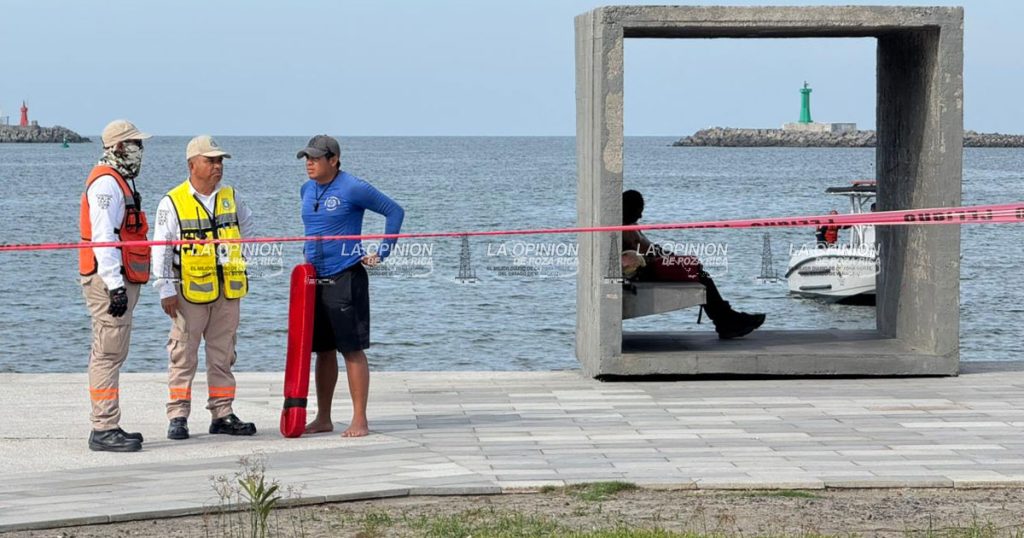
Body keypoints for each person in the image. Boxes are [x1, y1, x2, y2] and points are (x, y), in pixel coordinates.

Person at [298, 135, 404, 437]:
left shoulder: (353, 187)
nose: (309, 163)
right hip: (315, 278)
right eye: (307, 158)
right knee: (323, 351)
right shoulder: (306, 189)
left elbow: (395, 211)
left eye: (316, 158)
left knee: (351, 349)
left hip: (346, 275)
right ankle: (324, 417)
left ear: (333, 160)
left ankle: (360, 420)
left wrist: (382, 252)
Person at [151, 135, 257, 440]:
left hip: (228, 291)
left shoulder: (232, 197)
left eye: (220, 160)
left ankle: (222, 413)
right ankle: (178, 415)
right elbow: (161, 247)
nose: (217, 166)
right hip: (188, 293)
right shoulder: (173, 201)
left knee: (223, 355)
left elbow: (249, 230)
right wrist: (165, 288)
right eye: (210, 160)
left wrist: (243, 260)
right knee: (183, 355)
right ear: (192, 165)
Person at [79, 120, 152, 452]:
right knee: (107, 353)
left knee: (113, 351)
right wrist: (115, 286)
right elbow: (103, 237)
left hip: (119, 277)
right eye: (136, 144)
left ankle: (108, 423)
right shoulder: (107, 184)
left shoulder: (118, 180)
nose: (141, 151)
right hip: (109, 280)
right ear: (119, 147)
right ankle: (103, 427)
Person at [621, 190, 764, 339]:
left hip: (652, 265)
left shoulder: (631, 226)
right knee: (699, 274)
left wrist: (670, 256)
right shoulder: (624, 230)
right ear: (628, 209)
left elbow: (651, 248)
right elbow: (643, 253)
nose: (641, 216)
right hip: (644, 271)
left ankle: (725, 318)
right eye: (638, 211)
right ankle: (725, 319)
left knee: (699, 272)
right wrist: (667, 258)